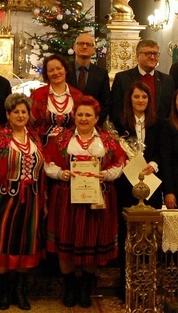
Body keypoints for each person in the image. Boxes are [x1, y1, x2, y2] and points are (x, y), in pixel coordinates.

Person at [43, 96, 126, 308]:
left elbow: (120, 164)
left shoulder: (107, 140)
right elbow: (47, 163)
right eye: (80, 114)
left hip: (97, 200)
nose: (84, 118)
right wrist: (61, 173)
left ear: (97, 117)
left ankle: (85, 289)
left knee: (92, 242)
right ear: (74, 116)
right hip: (66, 199)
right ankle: (69, 287)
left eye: (88, 115)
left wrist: (105, 175)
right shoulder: (62, 138)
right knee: (66, 242)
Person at [0, 93, 45, 311]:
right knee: (3, 242)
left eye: (24, 112)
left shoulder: (34, 138)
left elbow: (42, 170)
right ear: (8, 114)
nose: (20, 115)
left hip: (32, 200)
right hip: (6, 198)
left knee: (26, 243)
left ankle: (20, 289)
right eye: (16, 111)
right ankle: (4, 290)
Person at [114, 81, 161, 209]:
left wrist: (153, 164)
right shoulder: (119, 123)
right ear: (129, 99)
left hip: (150, 180)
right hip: (126, 179)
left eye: (144, 97)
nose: (141, 100)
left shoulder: (158, 123)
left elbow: (162, 150)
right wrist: (125, 160)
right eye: (136, 97)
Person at [111, 39, 175, 122]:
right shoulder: (122, 78)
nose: (152, 57)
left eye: (155, 54)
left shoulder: (167, 80)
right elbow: (116, 109)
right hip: (130, 130)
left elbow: (171, 110)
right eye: (148, 53)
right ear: (137, 56)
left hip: (160, 131)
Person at [30, 54, 83, 145]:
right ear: (46, 74)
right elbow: (30, 124)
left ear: (65, 70)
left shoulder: (77, 95)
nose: (56, 72)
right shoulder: (37, 95)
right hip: (44, 147)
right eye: (51, 70)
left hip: (73, 146)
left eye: (59, 68)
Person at [67, 33, 111, 123]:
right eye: (80, 43)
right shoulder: (65, 71)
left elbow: (106, 103)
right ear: (74, 47)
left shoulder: (101, 74)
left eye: (88, 44)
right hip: (67, 123)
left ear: (94, 49)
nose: (84, 46)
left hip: (93, 125)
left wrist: (93, 122)